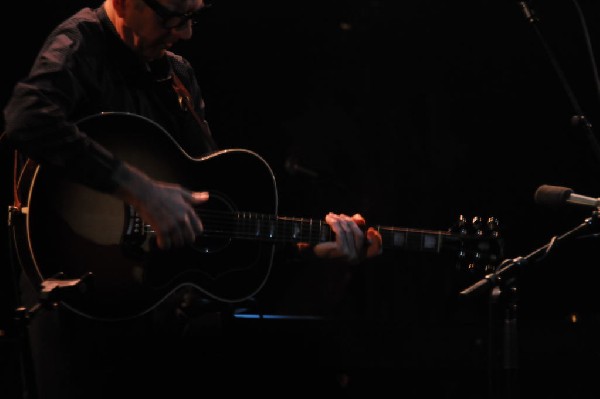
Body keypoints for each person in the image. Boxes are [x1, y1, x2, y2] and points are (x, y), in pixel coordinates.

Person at [2, 0, 382, 398]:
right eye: (173, 18)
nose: (184, 34)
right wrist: (140, 189)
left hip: (158, 322)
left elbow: (211, 219)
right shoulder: (79, 45)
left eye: (192, 17)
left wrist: (305, 247)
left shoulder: (178, 76)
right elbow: (27, 117)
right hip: (77, 316)